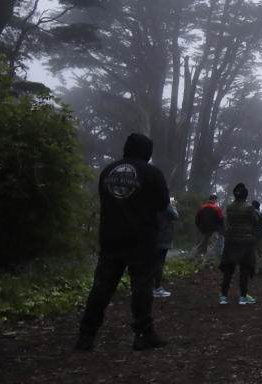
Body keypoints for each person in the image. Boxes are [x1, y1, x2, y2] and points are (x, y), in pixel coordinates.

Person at [76, 133, 170, 351]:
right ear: (147, 152)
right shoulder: (152, 173)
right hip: (142, 238)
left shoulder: (108, 171)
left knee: (102, 286)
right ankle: (143, 334)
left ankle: (86, 335)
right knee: (142, 285)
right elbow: (162, 205)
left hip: (110, 236)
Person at [219, 183, 258, 305]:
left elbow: (228, 221)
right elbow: (256, 222)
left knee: (228, 270)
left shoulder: (229, 207)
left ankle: (224, 297)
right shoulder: (249, 208)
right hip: (246, 242)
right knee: (244, 270)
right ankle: (243, 297)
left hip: (231, 240)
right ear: (246, 195)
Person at [153, 196, 179, 298]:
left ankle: (147, 288)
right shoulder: (165, 203)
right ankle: (157, 288)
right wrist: (173, 206)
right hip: (163, 237)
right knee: (159, 263)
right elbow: (175, 216)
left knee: (150, 262)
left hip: (150, 236)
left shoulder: (147, 200)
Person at [193, 194, 224, 259]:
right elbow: (221, 220)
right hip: (213, 231)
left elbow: (197, 219)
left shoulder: (201, 207)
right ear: (214, 200)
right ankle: (206, 263)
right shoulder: (217, 209)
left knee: (198, 245)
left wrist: (199, 227)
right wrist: (218, 229)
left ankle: (193, 260)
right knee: (211, 247)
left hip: (202, 230)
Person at [252, 200, 262, 275]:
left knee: (254, 251)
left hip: (251, 234)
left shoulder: (249, 214)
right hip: (261, 235)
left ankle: (254, 268)